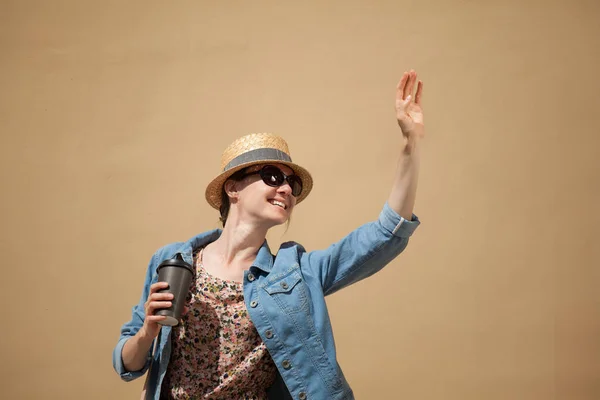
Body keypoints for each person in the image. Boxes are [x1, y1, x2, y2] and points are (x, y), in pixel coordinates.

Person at [112, 69, 425, 400]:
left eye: (294, 183)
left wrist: (412, 143)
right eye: (273, 176)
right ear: (233, 187)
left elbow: (385, 235)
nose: (287, 188)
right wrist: (147, 332)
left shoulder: (297, 272)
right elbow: (127, 362)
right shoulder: (172, 262)